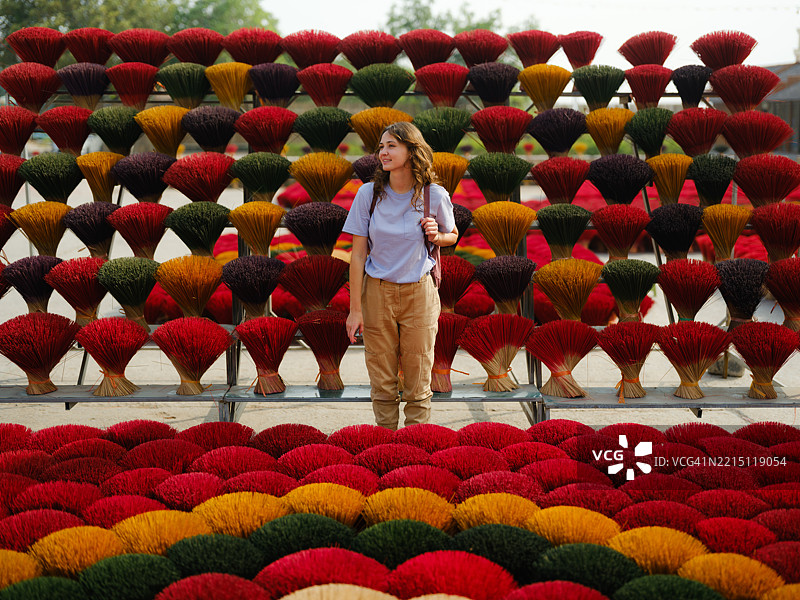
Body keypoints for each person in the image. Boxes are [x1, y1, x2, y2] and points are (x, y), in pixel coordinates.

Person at [343, 122, 458, 430]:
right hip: (377, 293)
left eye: (392, 145)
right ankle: (386, 444)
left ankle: (414, 446)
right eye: (381, 147)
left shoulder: (434, 195)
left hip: (419, 293)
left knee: (419, 379)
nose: (383, 152)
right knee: (381, 380)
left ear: (412, 150)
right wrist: (355, 310)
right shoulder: (368, 194)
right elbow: (356, 255)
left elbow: (453, 235)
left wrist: (437, 235)